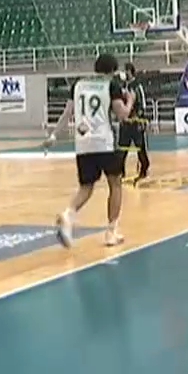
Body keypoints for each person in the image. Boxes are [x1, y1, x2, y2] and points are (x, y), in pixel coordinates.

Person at [44, 53, 135, 247]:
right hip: (105, 141)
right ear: (112, 70)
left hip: (83, 142)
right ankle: (111, 232)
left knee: (86, 187)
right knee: (115, 184)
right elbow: (122, 115)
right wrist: (130, 101)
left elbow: (67, 113)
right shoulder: (111, 86)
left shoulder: (78, 85)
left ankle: (68, 214)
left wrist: (53, 136)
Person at [118, 63, 150, 184]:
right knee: (122, 147)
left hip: (136, 122)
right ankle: (121, 172)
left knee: (140, 148)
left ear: (130, 72)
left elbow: (143, 103)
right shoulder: (122, 86)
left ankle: (144, 169)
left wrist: (140, 118)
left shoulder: (137, 86)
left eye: (126, 71)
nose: (124, 73)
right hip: (125, 122)